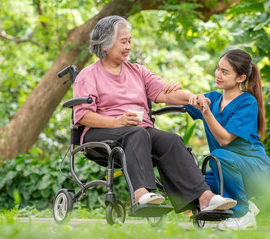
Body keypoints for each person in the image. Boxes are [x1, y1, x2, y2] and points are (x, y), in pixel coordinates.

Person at [73, 15, 237, 214]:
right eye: (123, 41)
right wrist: (117, 121)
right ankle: (141, 194)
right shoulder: (88, 75)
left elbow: (166, 93)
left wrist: (192, 97)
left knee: (172, 140)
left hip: (137, 131)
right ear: (106, 44)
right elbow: (82, 116)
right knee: (137, 133)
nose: (129, 46)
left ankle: (205, 199)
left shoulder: (138, 71)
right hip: (100, 131)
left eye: (130, 40)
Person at [186, 49, 270, 230]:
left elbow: (225, 139)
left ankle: (242, 214)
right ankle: (243, 205)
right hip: (225, 169)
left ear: (241, 78)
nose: (218, 74)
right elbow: (180, 101)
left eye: (225, 72)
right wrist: (163, 90)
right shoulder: (212, 98)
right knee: (194, 184)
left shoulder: (247, 103)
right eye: (218, 69)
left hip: (255, 172)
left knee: (220, 155)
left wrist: (206, 112)